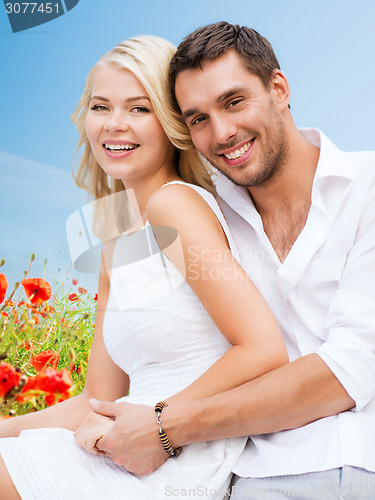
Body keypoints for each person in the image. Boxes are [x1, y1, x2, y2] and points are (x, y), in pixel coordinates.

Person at [86, 22, 375, 499]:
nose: (222, 132)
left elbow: (352, 367)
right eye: (197, 118)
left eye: (234, 101)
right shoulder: (207, 210)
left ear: (278, 88)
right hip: (241, 475)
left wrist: (163, 427)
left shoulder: (366, 186)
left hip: (355, 461)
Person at [0, 34, 289, 500]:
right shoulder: (115, 238)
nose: (116, 125)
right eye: (101, 107)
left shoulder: (174, 205)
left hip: (177, 454)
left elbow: (262, 348)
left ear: (171, 121)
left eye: (139, 108)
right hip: (123, 441)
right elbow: (99, 398)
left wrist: (156, 422)